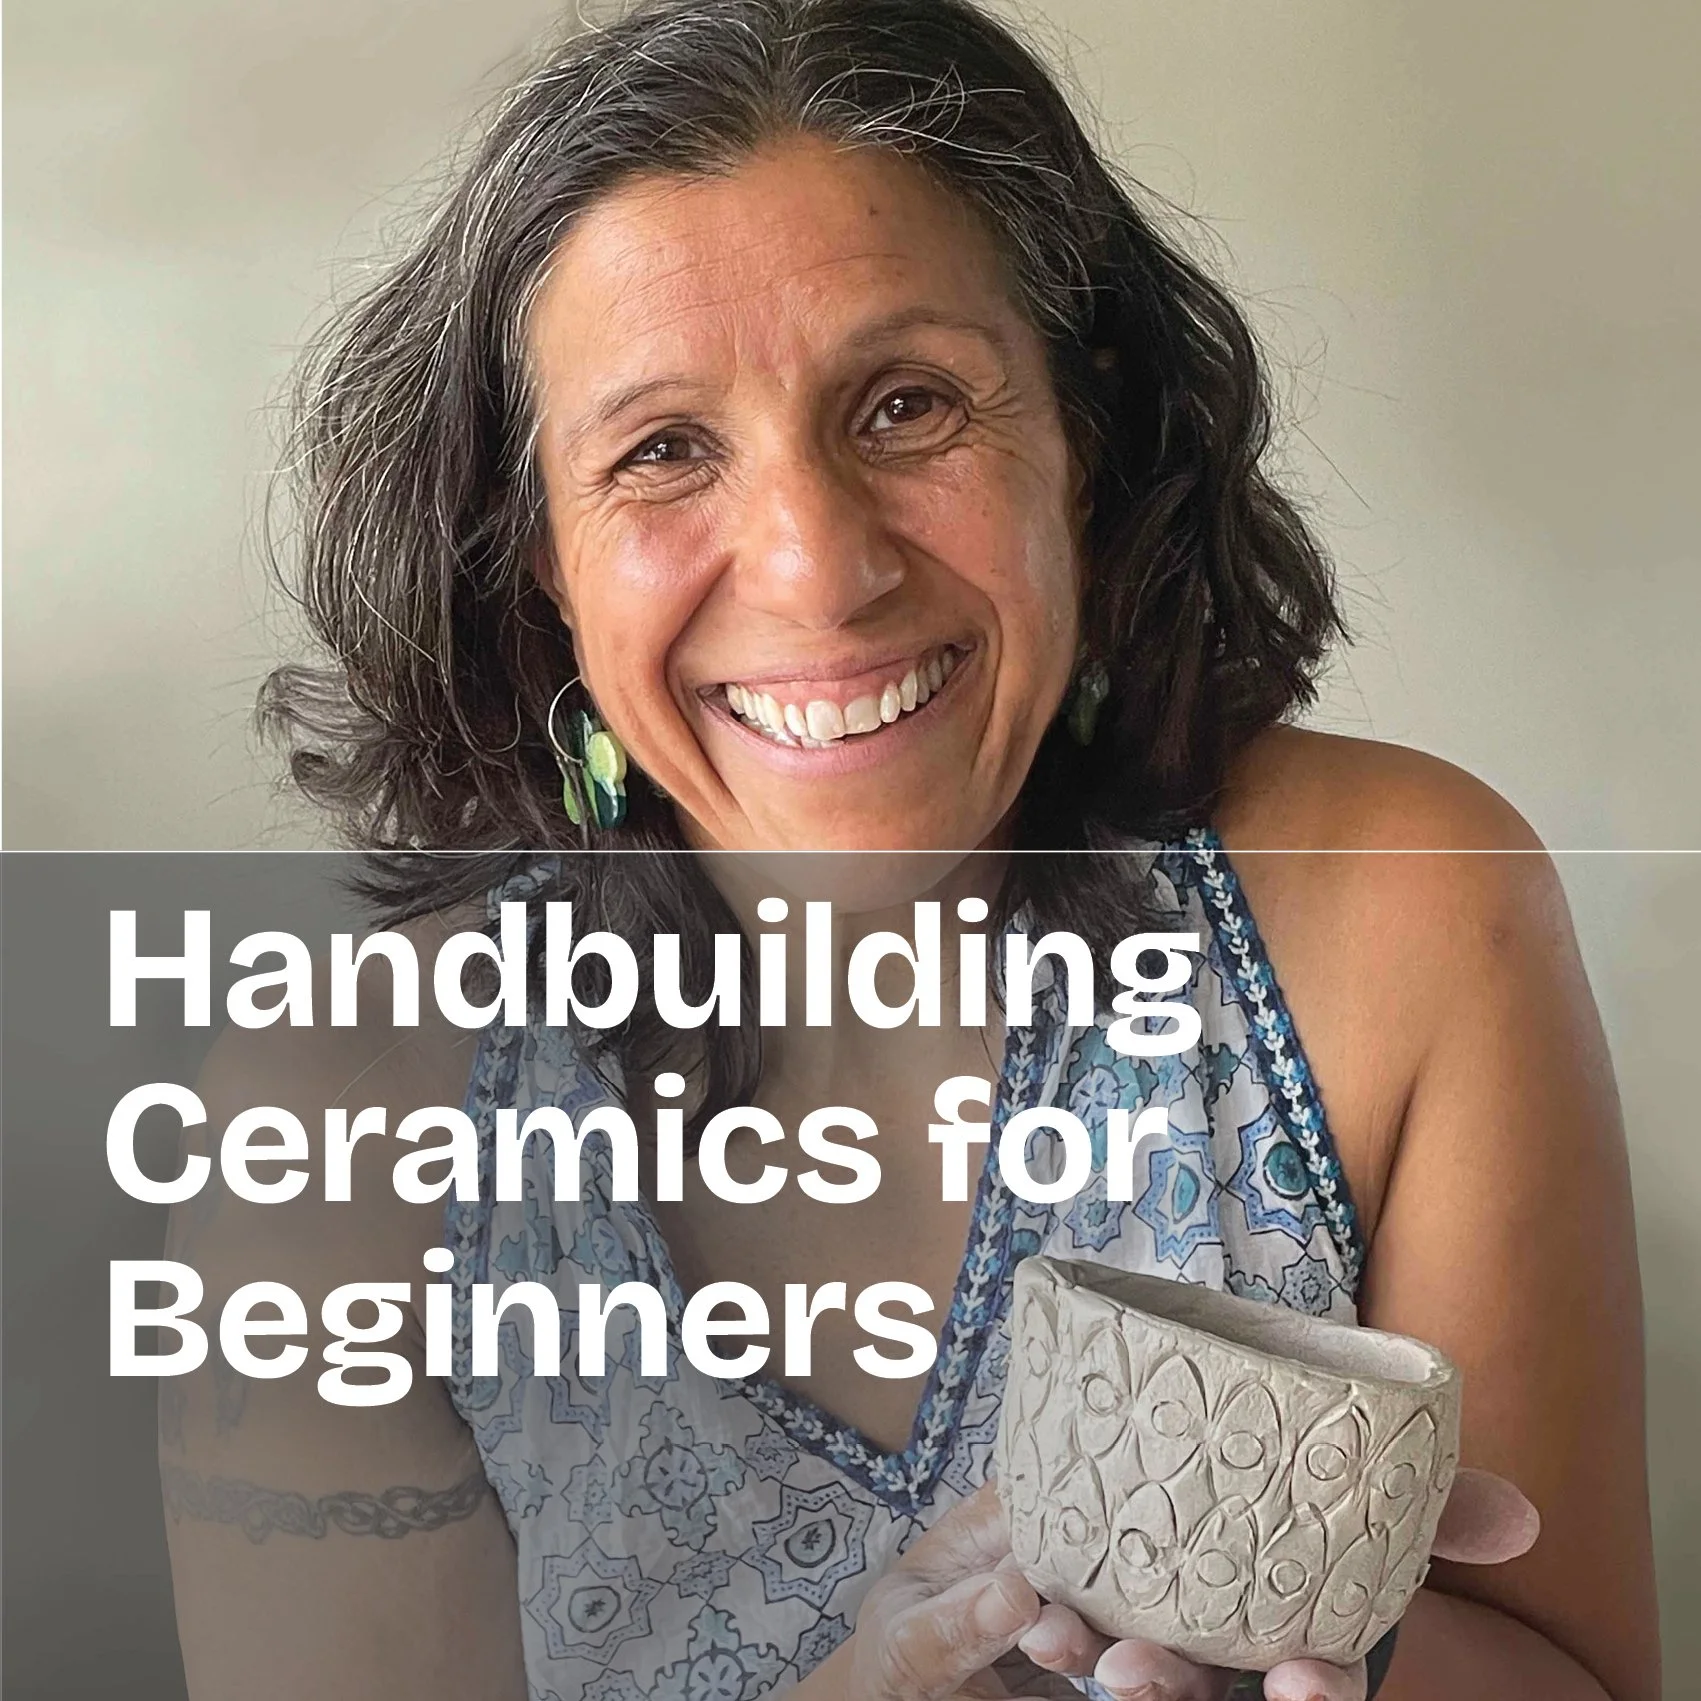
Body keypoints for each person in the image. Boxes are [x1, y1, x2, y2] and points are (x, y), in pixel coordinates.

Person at [162, 1, 1658, 1697]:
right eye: (663, 450)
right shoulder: (339, 1123)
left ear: (1085, 445)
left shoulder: (1413, 911)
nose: (817, 568)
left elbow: (1573, 1665)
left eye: (907, 406)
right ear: (536, 571)